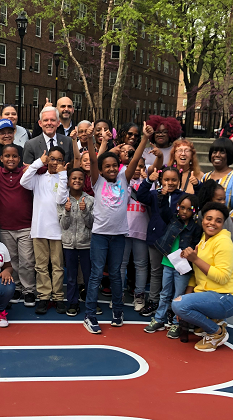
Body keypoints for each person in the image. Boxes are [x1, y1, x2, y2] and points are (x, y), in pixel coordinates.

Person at [83, 123, 149, 334]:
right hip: (100, 236)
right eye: (107, 166)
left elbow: (136, 158)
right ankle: (90, 315)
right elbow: (94, 159)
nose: (112, 168)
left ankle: (118, 312)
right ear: (101, 170)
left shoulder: (124, 177)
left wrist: (145, 139)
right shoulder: (97, 182)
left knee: (115, 274)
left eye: (114, 165)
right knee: (95, 275)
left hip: (119, 235)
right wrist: (92, 138)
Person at [172, 202, 233, 352]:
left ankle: (217, 332)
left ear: (223, 224)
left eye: (218, 221)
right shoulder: (205, 239)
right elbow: (196, 274)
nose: (212, 223)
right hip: (213, 294)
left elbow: (223, 277)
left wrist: (195, 259)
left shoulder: (223, 243)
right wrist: (186, 297)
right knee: (181, 304)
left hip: (227, 297)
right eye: (209, 219)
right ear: (202, 219)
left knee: (178, 305)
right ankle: (215, 320)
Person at [0, 144, 36, 307]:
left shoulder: (25, 172)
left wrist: (32, 166)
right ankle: (15, 287)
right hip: (5, 226)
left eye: (14, 156)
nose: (11, 159)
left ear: (20, 159)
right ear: (1, 159)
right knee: (12, 260)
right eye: (7, 156)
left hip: (26, 225)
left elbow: (44, 169)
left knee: (27, 260)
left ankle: (29, 289)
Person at [20, 147, 70, 314]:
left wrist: (63, 175)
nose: (55, 162)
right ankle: (43, 296)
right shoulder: (38, 178)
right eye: (52, 158)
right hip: (39, 228)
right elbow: (23, 181)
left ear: (63, 163)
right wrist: (38, 162)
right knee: (41, 266)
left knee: (57, 266)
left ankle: (57, 296)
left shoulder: (64, 178)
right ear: (47, 159)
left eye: (59, 159)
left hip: (57, 230)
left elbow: (61, 199)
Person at [144, 193, 202, 338]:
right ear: (177, 207)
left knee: (178, 296)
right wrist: (162, 196)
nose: (184, 211)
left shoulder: (195, 228)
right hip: (168, 263)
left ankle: (177, 324)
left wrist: (188, 251)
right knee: (165, 293)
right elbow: (163, 210)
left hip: (183, 267)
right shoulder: (173, 220)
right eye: (182, 207)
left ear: (194, 211)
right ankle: (158, 319)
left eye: (189, 209)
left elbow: (196, 244)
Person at [136, 166, 185, 317]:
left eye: (174, 180)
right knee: (156, 272)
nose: (170, 183)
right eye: (166, 179)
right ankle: (154, 301)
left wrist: (197, 186)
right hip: (156, 239)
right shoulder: (153, 194)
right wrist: (147, 181)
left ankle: (172, 305)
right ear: (161, 180)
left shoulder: (183, 197)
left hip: (174, 242)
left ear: (179, 181)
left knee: (174, 273)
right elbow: (140, 196)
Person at [57, 168, 94, 316]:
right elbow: (63, 225)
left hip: (86, 244)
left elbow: (92, 224)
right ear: (68, 181)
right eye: (73, 178)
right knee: (71, 276)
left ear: (84, 181)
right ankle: (73, 303)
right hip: (68, 244)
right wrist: (66, 211)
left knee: (88, 276)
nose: (77, 181)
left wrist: (85, 211)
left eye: (80, 178)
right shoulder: (63, 200)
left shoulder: (90, 200)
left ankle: (91, 303)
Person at [201, 137, 233, 245]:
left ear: (229, 155)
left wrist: (222, 222)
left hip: (227, 227)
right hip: (207, 226)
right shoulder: (206, 177)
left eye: (222, 152)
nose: (217, 155)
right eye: (214, 151)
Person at [120, 156, 149, 312]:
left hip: (141, 230)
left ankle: (139, 294)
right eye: (134, 165)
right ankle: (118, 295)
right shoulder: (122, 182)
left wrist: (147, 183)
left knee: (141, 265)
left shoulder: (149, 184)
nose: (137, 168)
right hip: (123, 230)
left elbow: (151, 201)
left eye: (141, 166)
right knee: (120, 264)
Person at [197, 179, 233, 245]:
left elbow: (231, 238)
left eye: (224, 199)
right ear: (209, 199)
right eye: (219, 199)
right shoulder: (201, 214)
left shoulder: (224, 215)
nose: (223, 202)